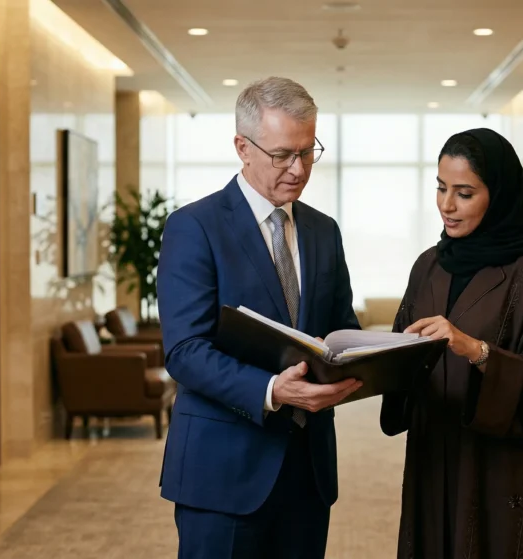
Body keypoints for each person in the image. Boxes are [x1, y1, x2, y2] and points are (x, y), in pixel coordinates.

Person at [156, 77, 363, 559]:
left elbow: (338, 327)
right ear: (242, 147)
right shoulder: (193, 227)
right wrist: (272, 390)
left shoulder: (322, 231)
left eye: (308, 152)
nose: (297, 169)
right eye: (282, 155)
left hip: (307, 470)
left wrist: (365, 360)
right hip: (221, 471)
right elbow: (185, 352)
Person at [380, 128, 523, 559]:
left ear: (499, 196)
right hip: (434, 455)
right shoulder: (429, 265)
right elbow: (403, 349)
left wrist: (475, 349)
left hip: (505, 468)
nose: (446, 206)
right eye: (440, 188)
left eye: (464, 193)